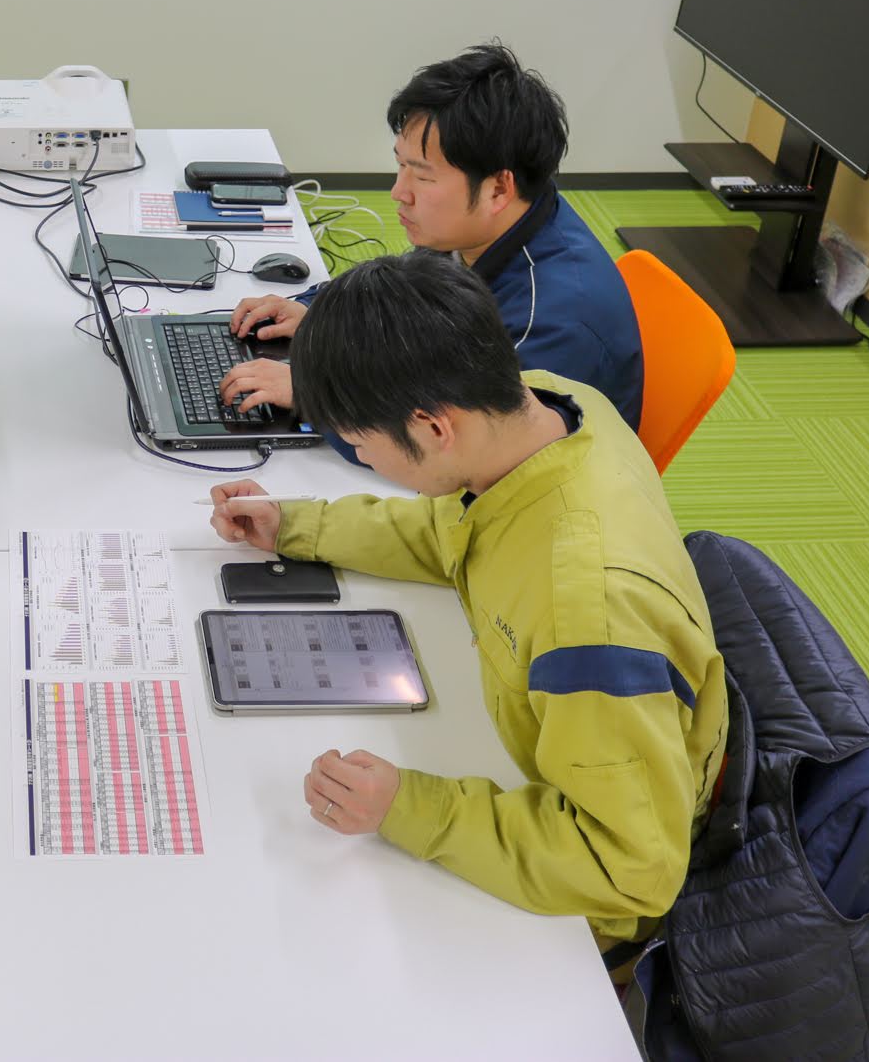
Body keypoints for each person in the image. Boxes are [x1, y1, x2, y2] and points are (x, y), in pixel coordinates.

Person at [208, 252, 727, 956]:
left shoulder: (588, 617)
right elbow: (449, 529)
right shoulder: (546, 407)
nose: (364, 461)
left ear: (432, 428)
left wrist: (410, 808)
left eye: (361, 446)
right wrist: (296, 525)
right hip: (551, 749)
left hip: (587, 899)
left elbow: (627, 869)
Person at [220, 44, 644, 453]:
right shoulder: (485, 228)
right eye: (400, 165)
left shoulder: (552, 323)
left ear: (499, 189)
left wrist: (316, 394)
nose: (398, 192)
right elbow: (409, 305)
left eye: (422, 176)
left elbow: (451, 449)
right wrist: (323, 316)